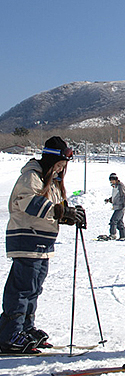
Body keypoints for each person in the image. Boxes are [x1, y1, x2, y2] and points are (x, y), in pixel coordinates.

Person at [0, 137, 86, 353]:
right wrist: (59, 211)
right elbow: (28, 202)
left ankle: (25, 328)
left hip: (42, 242)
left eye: (62, 167)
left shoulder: (51, 179)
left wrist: (69, 215)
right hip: (27, 238)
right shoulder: (31, 176)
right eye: (58, 165)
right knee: (22, 288)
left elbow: (53, 209)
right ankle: (10, 333)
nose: (60, 170)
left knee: (34, 289)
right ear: (50, 161)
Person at [105, 173, 125, 241]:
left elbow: (124, 196)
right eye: (111, 180)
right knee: (119, 222)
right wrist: (109, 200)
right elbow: (116, 196)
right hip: (117, 206)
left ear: (116, 179)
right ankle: (123, 236)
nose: (111, 182)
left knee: (113, 220)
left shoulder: (120, 186)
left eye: (112, 180)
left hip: (121, 206)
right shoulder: (115, 186)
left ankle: (113, 234)